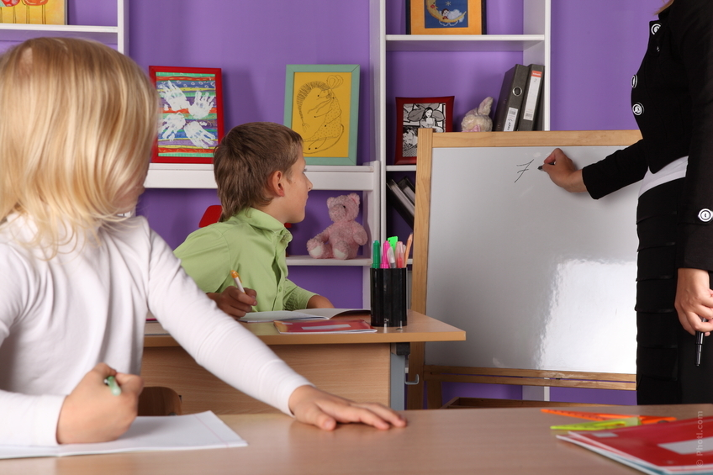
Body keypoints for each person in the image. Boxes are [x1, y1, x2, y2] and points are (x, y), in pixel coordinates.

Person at [0, 37, 405, 447]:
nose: (148, 157)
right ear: (71, 149)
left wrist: (298, 395)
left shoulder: (136, 244)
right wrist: (60, 422)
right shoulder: (10, 258)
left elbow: (211, 335)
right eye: (134, 141)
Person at [540, 0, 713, 404]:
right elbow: (667, 137)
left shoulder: (701, 8)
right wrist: (580, 178)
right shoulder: (683, 14)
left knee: (689, 406)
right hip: (667, 233)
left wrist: (697, 260)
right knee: (663, 400)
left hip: (684, 235)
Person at [174, 122, 334, 318]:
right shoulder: (223, 239)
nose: (310, 185)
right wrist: (213, 303)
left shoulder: (269, 238)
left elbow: (271, 290)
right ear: (278, 182)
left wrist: (310, 300)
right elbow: (151, 291)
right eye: (303, 172)